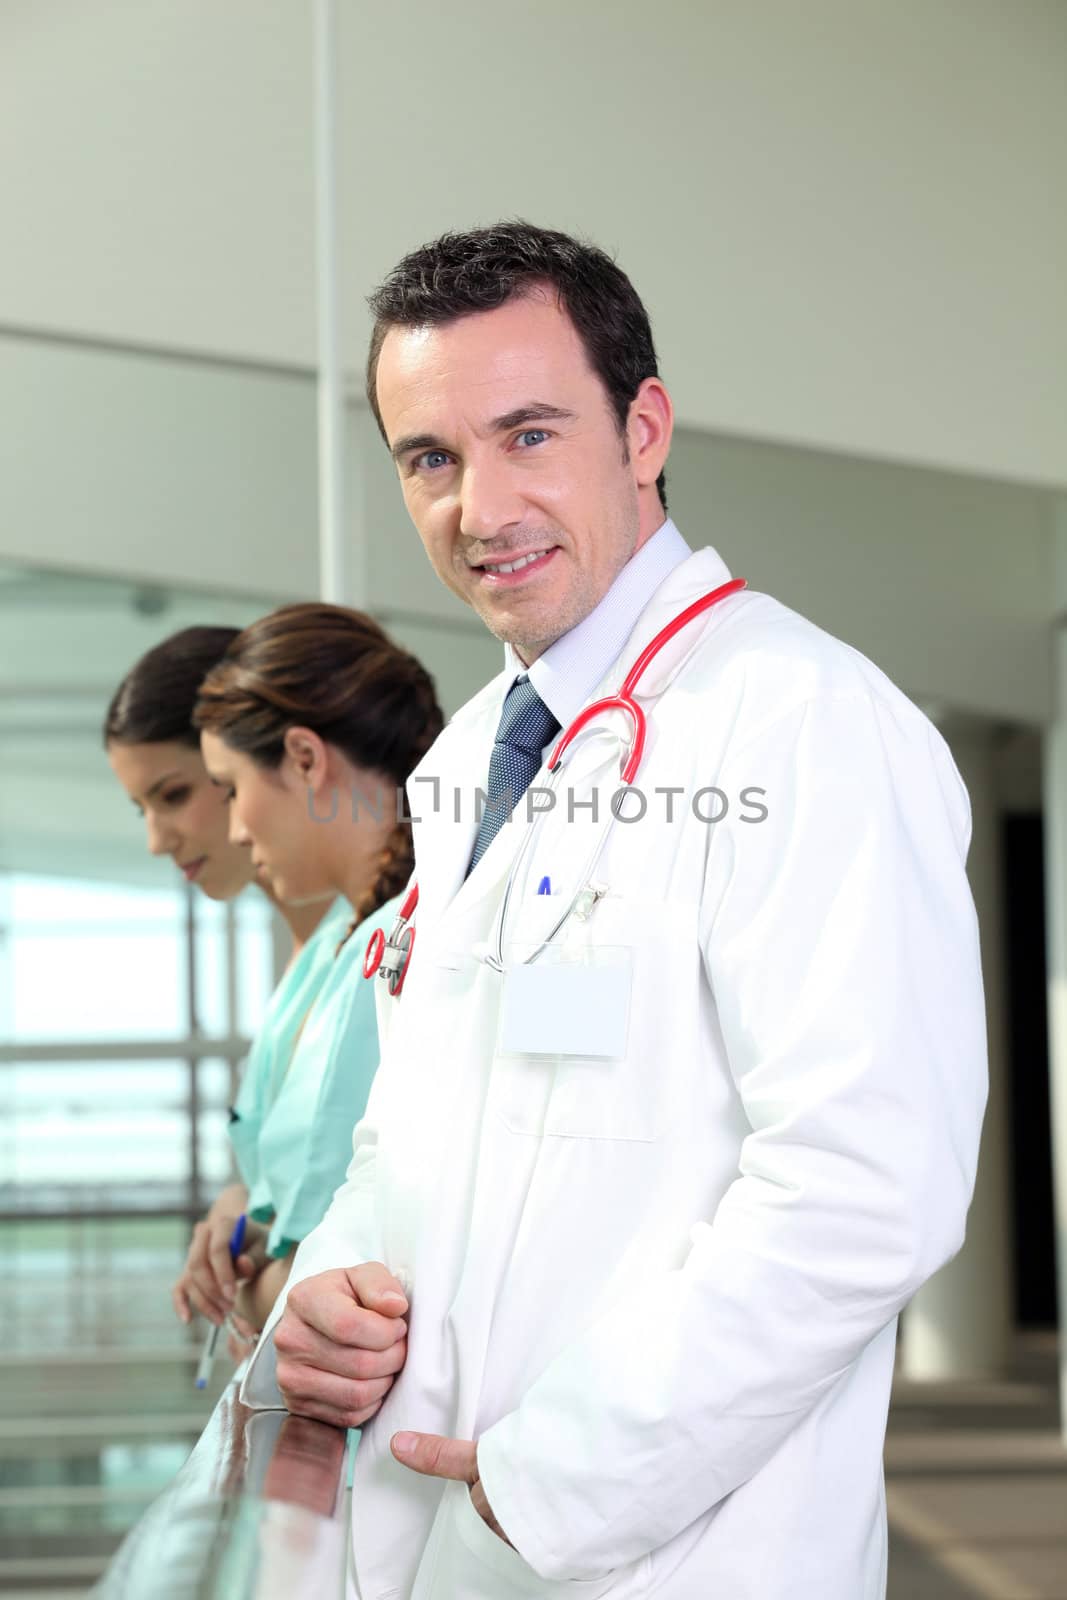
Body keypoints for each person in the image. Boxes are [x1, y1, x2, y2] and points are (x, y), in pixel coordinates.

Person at [240, 223, 987, 1599]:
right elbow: (418, 1127)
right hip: (424, 1519)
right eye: (431, 458)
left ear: (642, 428)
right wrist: (328, 1289)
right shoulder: (474, 755)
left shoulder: (800, 721)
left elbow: (864, 1186)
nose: (480, 507)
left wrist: (553, 1485)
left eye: (529, 434)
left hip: (649, 1549)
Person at [194, 602, 443, 1333]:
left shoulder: (410, 939)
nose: (236, 828)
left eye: (232, 789)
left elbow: (339, 1274)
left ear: (304, 757)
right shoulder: (347, 936)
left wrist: (259, 1292)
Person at [105, 627, 345, 1337]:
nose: (156, 838)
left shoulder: (373, 950)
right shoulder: (307, 966)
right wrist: (236, 1204)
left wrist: (259, 1287)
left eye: (173, 795)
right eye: (141, 810)